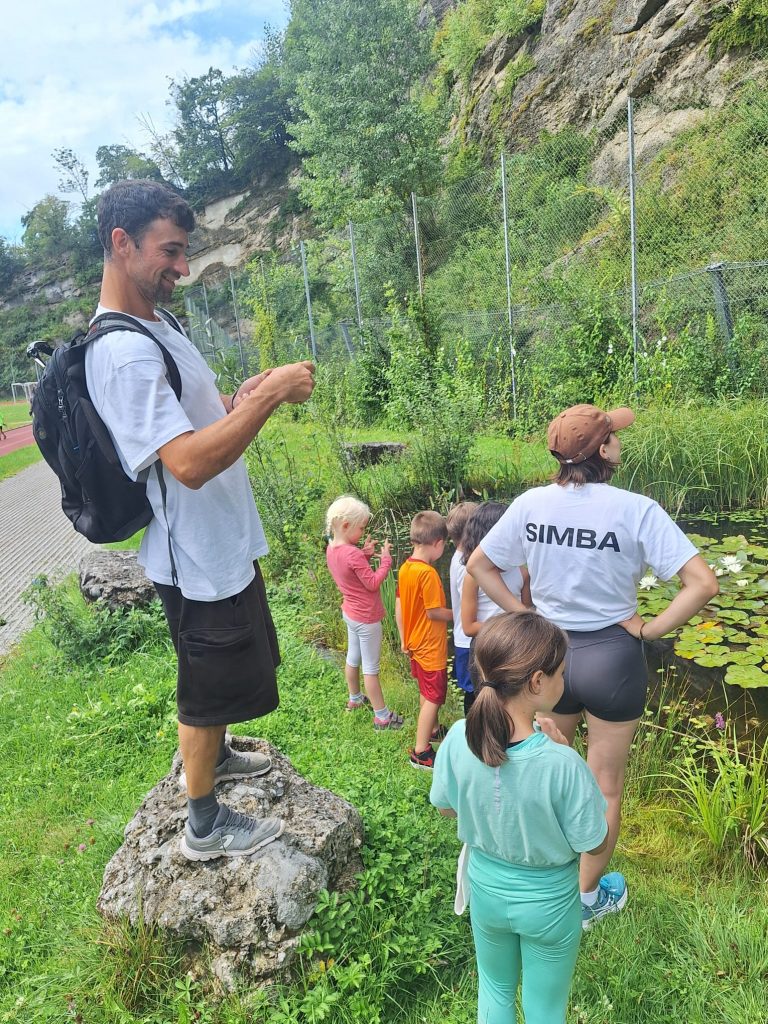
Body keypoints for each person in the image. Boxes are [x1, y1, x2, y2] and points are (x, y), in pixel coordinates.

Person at [87, 179, 316, 862]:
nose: (183, 268)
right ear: (121, 243)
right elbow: (186, 463)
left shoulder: (160, 326)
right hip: (193, 555)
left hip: (221, 541)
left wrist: (239, 400)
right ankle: (204, 823)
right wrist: (272, 398)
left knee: (228, 674)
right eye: (170, 251)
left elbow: (194, 417)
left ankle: (215, 757)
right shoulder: (121, 352)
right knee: (204, 690)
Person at [467, 404, 718, 925]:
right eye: (614, 437)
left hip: (546, 659)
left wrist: (524, 616)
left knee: (543, 769)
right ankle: (584, 898)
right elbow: (703, 583)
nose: (620, 442)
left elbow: (479, 565)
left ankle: (546, 876)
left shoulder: (531, 503)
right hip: (612, 658)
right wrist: (650, 630)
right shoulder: (636, 508)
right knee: (604, 786)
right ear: (603, 451)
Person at [430, 611, 609, 1024]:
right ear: (537, 682)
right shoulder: (562, 763)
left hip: (486, 891)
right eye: (561, 672)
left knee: (494, 989)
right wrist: (565, 752)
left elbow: (445, 806)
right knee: (545, 1008)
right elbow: (594, 842)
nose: (564, 680)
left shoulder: (457, 737)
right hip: (549, 904)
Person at [325, 495, 403, 730]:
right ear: (346, 525)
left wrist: (365, 555)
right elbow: (372, 583)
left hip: (350, 613)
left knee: (353, 658)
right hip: (367, 618)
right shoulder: (352, 554)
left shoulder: (332, 548)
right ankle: (382, 717)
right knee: (371, 669)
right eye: (361, 528)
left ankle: (355, 699)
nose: (363, 532)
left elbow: (349, 571)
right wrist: (385, 561)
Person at [460, 501, 531, 711]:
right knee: (488, 704)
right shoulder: (473, 576)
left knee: (515, 704)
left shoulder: (522, 573)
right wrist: (504, 628)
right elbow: (468, 626)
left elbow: (528, 613)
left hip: (516, 648)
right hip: (486, 648)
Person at [395, 510, 452, 769]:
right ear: (438, 543)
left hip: (415, 644)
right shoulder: (427, 574)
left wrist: (403, 638)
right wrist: (460, 614)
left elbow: (398, 606)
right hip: (430, 647)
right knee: (434, 696)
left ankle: (433, 729)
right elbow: (434, 612)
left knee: (425, 691)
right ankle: (421, 752)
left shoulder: (406, 568)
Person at [446, 501, 478, 717]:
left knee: (473, 690)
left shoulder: (458, 557)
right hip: (468, 642)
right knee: (473, 692)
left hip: (462, 639)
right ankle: (472, 728)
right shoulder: (466, 565)